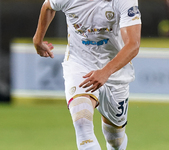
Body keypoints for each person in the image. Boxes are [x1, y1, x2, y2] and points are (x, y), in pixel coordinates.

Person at [33, 0, 141, 149]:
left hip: (115, 70)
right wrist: (37, 39)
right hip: (79, 63)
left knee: (115, 138)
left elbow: (133, 44)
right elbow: (48, 6)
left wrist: (105, 72)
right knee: (82, 122)